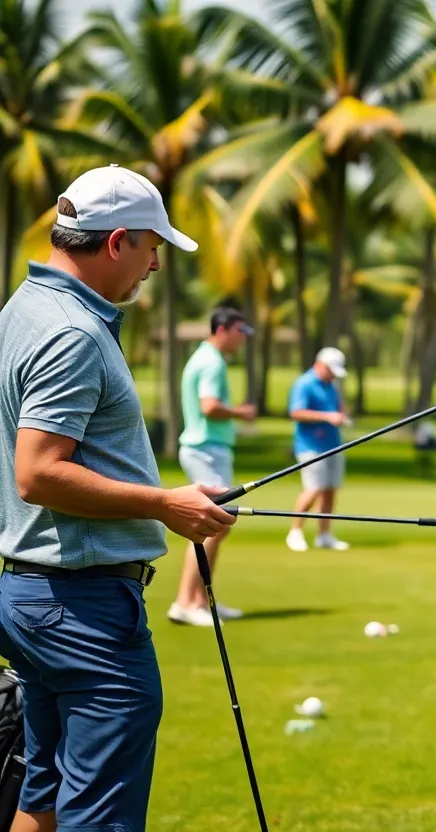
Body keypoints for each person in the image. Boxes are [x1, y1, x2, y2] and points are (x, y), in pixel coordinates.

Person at [0, 164, 235, 832]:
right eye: (152, 245)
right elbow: (38, 473)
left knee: (39, 799)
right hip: (84, 612)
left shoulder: (23, 309)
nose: (156, 263)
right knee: (97, 817)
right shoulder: (70, 332)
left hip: (34, 599)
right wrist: (164, 504)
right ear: (116, 242)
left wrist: (168, 497)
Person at [169, 306, 257, 626]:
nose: (243, 339)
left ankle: (201, 602)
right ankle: (186, 603)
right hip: (206, 449)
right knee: (211, 526)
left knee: (216, 527)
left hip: (208, 449)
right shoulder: (211, 361)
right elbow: (209, 407)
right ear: (223, 330)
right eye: (241, 332)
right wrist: (241, 413)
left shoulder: (208, 358)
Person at [286, 347, 351, 552]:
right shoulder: (304, 384)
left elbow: (339, 407)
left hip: (333, 444)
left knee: (330, 490)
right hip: (310, 446)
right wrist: (327, 417)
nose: (333, 375)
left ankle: (324, 534)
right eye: (331, 370)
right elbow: (296, 412)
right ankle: (295, 532)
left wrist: (341, 415)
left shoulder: (331, 386)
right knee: (313, 489)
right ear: (320, 364)